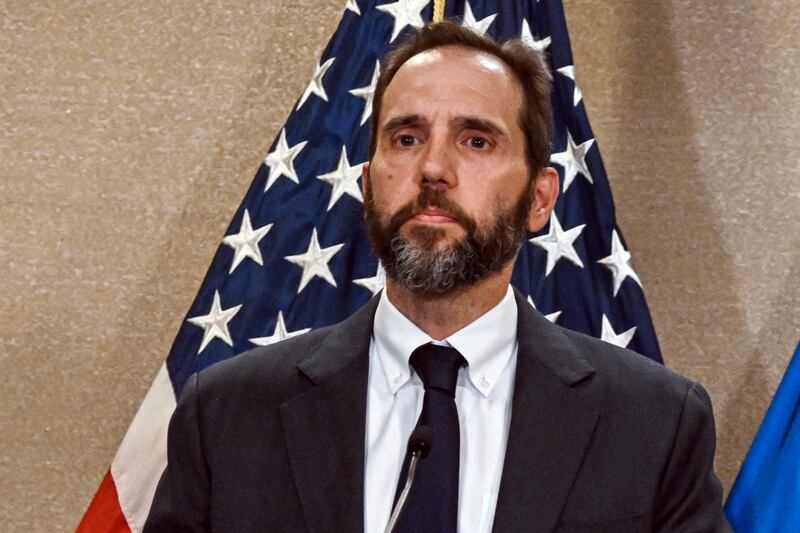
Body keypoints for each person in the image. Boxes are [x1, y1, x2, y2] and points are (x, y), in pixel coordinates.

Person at [145, 21, 729, 532]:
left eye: (476, 140)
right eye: (406, 138)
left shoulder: (655, 423)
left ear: (539, 198)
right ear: (369, 184)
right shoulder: (225, 415)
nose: (432, 169)